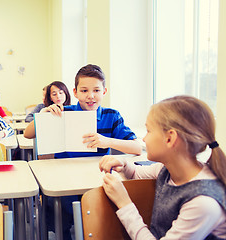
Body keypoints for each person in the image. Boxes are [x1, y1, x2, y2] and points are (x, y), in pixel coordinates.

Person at [26, 64, 142, 239]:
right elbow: (28, 134)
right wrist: (44, 114)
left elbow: (137, 147)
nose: (90, 96)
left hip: (96, 177)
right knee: (59, 206)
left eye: (96, 90)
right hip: (65, 179)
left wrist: (106, 141)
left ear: (104, 91)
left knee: (105, 208)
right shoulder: (64, 112)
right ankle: (64, 232)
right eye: (84, 90)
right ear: (75, 92)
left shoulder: (112, 115)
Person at [99, 95, 226, 239]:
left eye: (148, 131)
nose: (144, 139)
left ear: (170, 138)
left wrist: (124, 203)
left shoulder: (203, 203)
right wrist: (123, 165)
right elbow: (135, 173)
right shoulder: (167, 169)